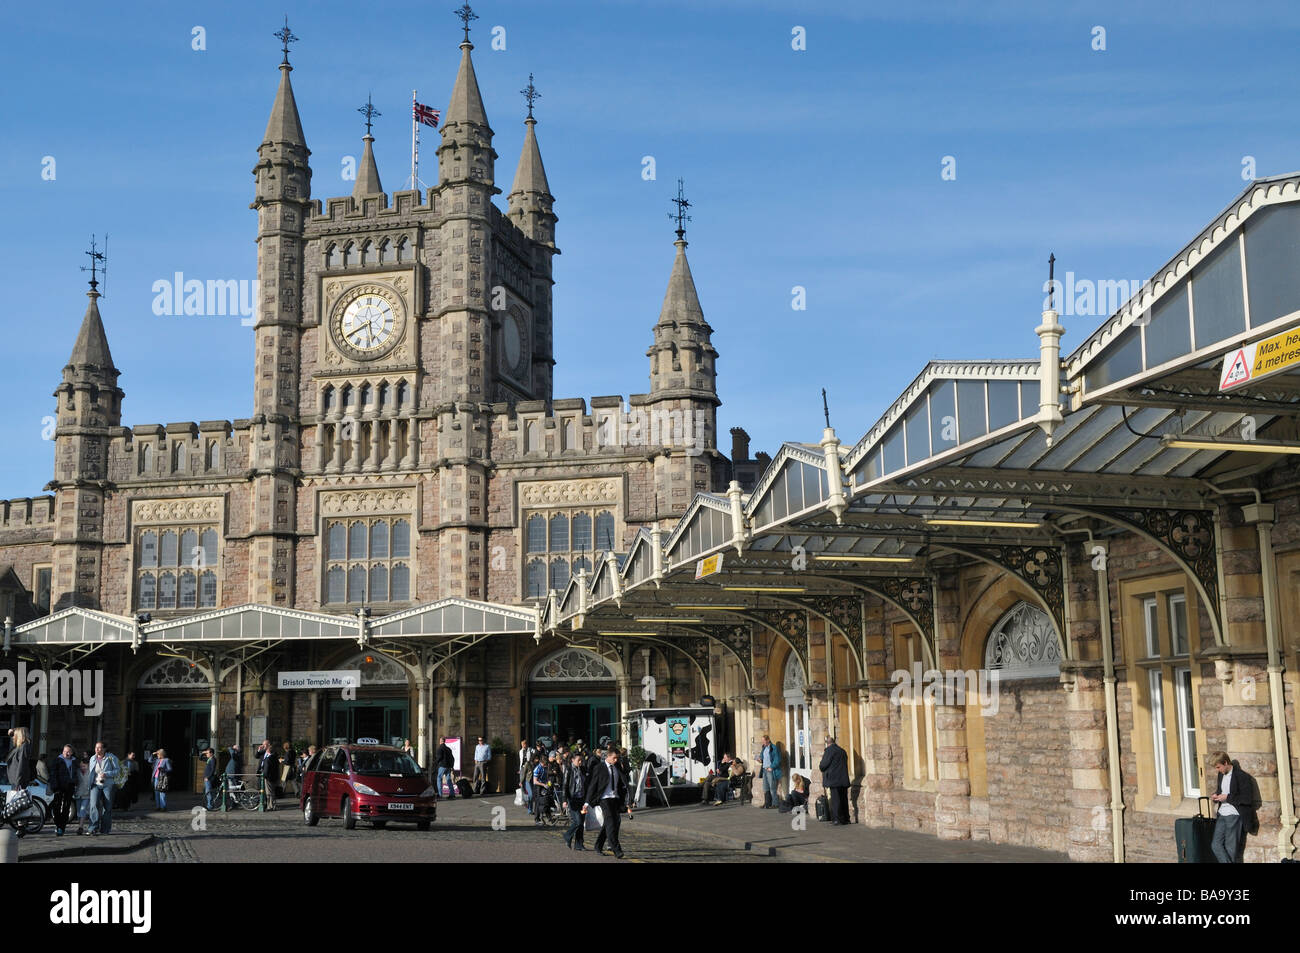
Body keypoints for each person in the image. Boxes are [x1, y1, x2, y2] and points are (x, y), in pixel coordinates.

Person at [582, 746, 633, 859]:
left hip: (615, 798)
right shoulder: (599, 768)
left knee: (612, 823)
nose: (616, 760)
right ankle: (617, 849)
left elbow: (623, 783)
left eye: (617, 758)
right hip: (604, 798)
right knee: (611, 823)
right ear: (608, 756)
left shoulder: (618, 766)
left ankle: (598, 845)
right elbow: (592, 785)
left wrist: (628, 800)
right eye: (614, 758)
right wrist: (586, 803)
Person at [1211, 751, 1259, 863]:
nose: (1218, 770)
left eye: (1219, 767)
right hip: (1222, 813)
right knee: (1215, 845)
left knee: (1231, 849)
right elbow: (1221, 791)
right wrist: (1216, 795)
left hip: (1234, 814)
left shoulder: (1242, 776)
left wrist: (1227, 797)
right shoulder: (1221, 775)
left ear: (1226, 762)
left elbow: (1246, 799)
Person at [87, 741, 120, 835]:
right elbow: (91, 772)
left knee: (107, 807)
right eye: (96, 747)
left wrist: (107, 774)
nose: (97, 749)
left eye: (99, 747)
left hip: (108, 784)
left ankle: (105, 829)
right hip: (95, 784)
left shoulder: (111, 757)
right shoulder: (92, 758)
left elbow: (117, 770)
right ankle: (93, 827)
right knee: (93, 805)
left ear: (104, 749)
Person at [819, 735, 850, 825]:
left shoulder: (829, 751)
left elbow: (823, 765)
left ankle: (837, 819)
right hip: (843, 779)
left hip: (834, 780)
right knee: (843, 799)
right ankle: (846, 818)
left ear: (827, 743)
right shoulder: (842, 751)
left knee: (836, 801)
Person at [4, 727, 35, 817]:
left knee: (18, 802)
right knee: (17, 802)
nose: (13, 737)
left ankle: (21, 825)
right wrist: (12, 732)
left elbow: (22, 766)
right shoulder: (21, 746)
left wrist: (18, 782)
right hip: (15, 779)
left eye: (15, 735)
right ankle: (19, 824)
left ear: (19, 736)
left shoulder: (23, 747)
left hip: (18, 780)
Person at [562, 751, 587, 850]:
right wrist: (564, 800)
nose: (580, 762)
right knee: (577, 821)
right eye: (578, 760)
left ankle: (579, 844)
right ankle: (567, 835)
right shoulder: (569, 770)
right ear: (572, 760)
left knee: (581, 823)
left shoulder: (583, 769)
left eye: (581, 760)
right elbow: (565, 785)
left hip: (582, 798)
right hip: (573, 799)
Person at [51, 743, 78, 836]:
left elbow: (76, 773)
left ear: (72, 753)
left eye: (68, 752)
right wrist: (55, 787)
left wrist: (75, 782)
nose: (66, 753)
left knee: (66, 808)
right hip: (59, 786)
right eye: (64, 751)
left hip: (70, 786)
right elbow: (53, 774)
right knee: (56, 807)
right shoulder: (58, 760)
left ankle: (61, 827)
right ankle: (58, 825)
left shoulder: (74, 761)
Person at [758, 734, 782, 808]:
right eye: (762, 741)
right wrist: (760, 760)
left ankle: (775, 804)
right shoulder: (764, 748)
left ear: (768, 740)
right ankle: (767, 803)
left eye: (764, 741)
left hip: (771, 770)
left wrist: (772, 767)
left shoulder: (773, 748)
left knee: (772, 788)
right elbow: (762, 757)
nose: (763, 742)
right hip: (764, 769)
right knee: (765, 788)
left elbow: (777, 759)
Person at [257, 739, 278, 810]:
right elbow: (256, 756)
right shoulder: (267, 755)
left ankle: (271, 806)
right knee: (268, 791)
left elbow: (267, 768)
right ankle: (270, 805)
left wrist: (264, 775)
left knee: (269, 792)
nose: (263, 746)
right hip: (268, 775)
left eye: (264, 745)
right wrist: (259, 750)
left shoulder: (269, 758)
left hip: (268, 776)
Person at [74, 755, 92, 835]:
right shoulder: (77, 771)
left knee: (83, 809)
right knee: (78, 812)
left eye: (84, 766)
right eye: (81, 766)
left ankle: (80, 827)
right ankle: (80, 825)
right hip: (78, 794)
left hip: (87, 794)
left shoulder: (91, 772)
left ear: (88, 765)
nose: (82, 768)